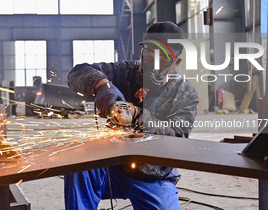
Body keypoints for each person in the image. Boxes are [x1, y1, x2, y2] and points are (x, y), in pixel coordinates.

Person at [64, 21, 199, 210]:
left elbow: (178, 137)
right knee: (80, 165)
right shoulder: (124, 71)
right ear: (142, 52)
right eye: (149, 54)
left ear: (176, 62)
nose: (153, 63)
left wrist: (137, 115)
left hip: (152, 177)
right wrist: (101, 85)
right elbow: (77, 72)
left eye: (163, 58)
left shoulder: (184, 92)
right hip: (111, 168)